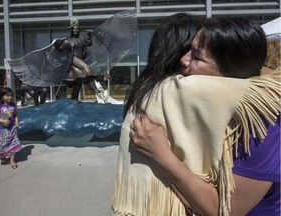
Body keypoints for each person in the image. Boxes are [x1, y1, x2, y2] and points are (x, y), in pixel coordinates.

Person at [112, 17, 280, 216]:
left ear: (230, 70)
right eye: (189, 49)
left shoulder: (263, 124)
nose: (183, 60)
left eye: (197, 57)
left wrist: (161, 154)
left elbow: (226, 211)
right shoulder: (196, 106)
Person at [54, 18, 99, 102]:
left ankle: (74, 99)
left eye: (77, 29)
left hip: (81, 59)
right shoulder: (68, 41)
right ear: (71, 30)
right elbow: (60, 49)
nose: (76, 30)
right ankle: (93, 87)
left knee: (78, 81)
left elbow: (89, 43)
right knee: (87, 69)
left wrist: (89, 35)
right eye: (74, 29)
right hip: (73, 59)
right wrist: (56, 44)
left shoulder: (82, 39)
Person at [0, 87, 22, 169]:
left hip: (12, 128)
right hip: (1, 130)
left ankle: (12, 160)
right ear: (2, 97)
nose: (10, 97)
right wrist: (2, 121)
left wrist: (16, 122)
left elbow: (15, 115)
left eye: (11, 95)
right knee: (0, 146)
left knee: (13, 144)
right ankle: (3, 158)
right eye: (7, 95)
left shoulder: (14, 105)